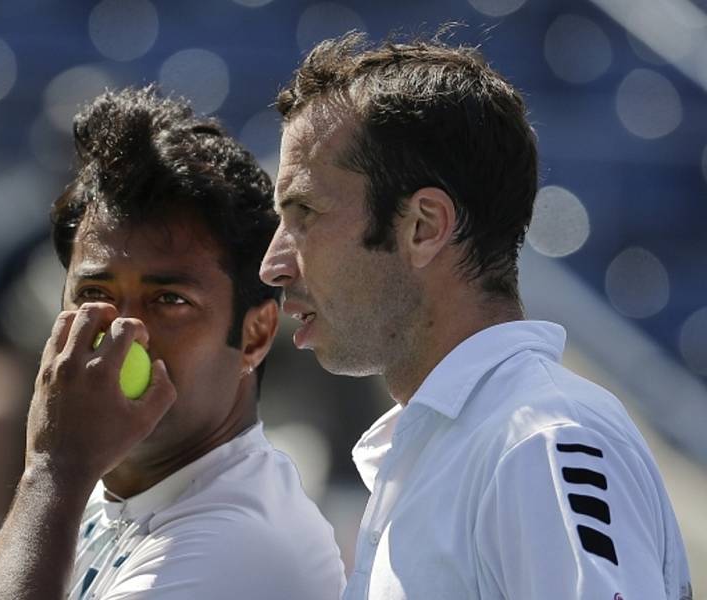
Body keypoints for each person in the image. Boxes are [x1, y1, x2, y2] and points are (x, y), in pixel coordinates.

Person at [259, 31, 692, 600]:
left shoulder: (538, 442)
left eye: (306, 213)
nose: (273, 264)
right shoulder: (461, 445)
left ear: (424, 227)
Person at [0, 87, 346, 600]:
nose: (125, 332)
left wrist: (51, 469)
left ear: (256, 334)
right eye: (94, 294)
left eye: (168, 300)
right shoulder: (101, 500)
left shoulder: (238, 546)